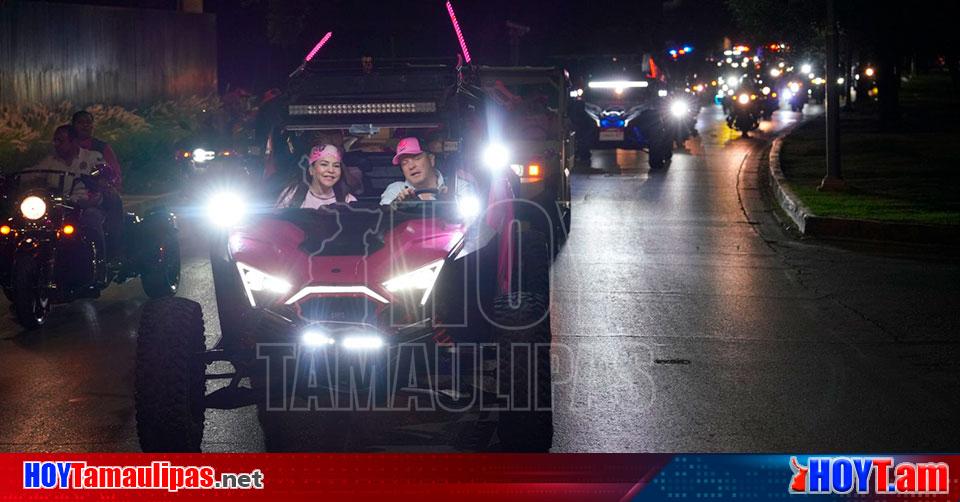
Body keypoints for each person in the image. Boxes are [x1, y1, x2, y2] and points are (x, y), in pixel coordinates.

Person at [24, 125, 109, 282]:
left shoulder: (91, 158)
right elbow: (33, 172)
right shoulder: (51, 161)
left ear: (74, 141)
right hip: (57, 207)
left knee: (92, 221)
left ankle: (100, 266)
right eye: (55, 140)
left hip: (85, 206)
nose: (56, 144)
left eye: (60, 140)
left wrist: (99, 179)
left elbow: (103, 174)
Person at [72, 110, 124, 261]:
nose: (85, 126)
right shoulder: (66, 146)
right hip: (70, 194)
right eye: (81, 122)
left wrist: (107, 183)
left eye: (88, 122)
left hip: (95, 192)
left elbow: (113, 171)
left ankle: (113, 251)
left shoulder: (100, 148)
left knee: (112, 202)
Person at [275, 144, 356, 208]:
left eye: (336, 166)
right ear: (311, 170)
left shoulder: (348, 201)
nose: (331, 170)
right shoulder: (291, 196)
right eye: (324, 164)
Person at [379, 137, 446, 205]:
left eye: (417, 158)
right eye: (404, 163)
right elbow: (385, 212)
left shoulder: (454, 185)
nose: (411, 166)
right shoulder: (396, 190)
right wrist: (398, 204)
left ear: (431, 160)